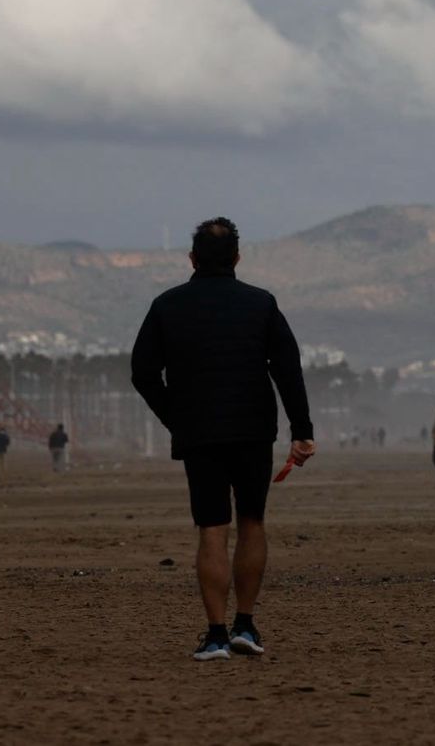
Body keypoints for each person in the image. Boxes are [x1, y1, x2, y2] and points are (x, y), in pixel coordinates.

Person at [131, 217, 316, 662]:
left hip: (199, 433)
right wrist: (302, 431)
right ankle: (246, 626)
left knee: (212, 529)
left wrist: (176, 416)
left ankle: (215, 635)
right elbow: (287, 368)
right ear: (236, 257)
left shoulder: (167, 305)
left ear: (192, 259)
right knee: (252, 522)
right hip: (253, 429)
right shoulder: (261, 304)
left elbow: (142, 372)